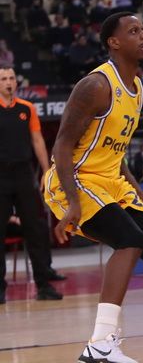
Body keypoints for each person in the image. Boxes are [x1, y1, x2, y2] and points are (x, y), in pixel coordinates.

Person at [42, 13, 143, 362]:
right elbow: (61, 146)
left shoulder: (137, 88)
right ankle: (100, 345)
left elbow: (115, 154)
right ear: (113, 42)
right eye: (134, 31)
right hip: (75, 178)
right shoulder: (96, 85)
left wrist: (140, 194)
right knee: (130, 239)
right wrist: (73, 203)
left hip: (111, 182)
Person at [0, 64, 63, 304]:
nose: (8, 82)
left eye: (11, 78)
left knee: (35, 229)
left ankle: (44, 284)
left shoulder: (27, 108)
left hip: (24, 173)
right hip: (1, 176)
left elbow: (37, 140)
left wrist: (47, 172)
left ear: (16, 82)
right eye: (3, 79)